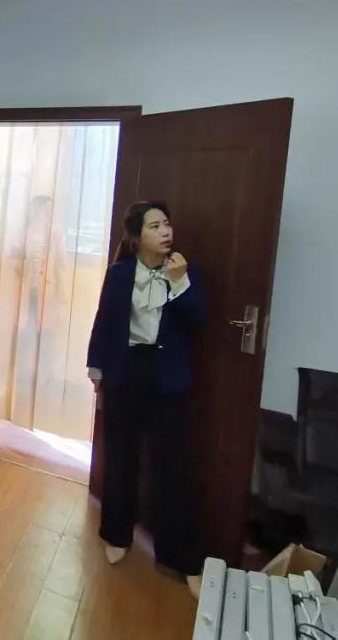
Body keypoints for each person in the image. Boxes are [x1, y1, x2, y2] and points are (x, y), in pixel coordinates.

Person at [87, 201, 206, 597]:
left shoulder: (184, 271)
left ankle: (181, 556)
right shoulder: (120, 274)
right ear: (137, 237)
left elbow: (198, 321)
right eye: (155, 226)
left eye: (167, 224)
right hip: (126, 370)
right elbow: (104, 321)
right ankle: (116, 534)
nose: (165, 231)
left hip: (167, 376)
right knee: (120, 457)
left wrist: (179, 282)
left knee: (172, 466)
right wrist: (97, 369)